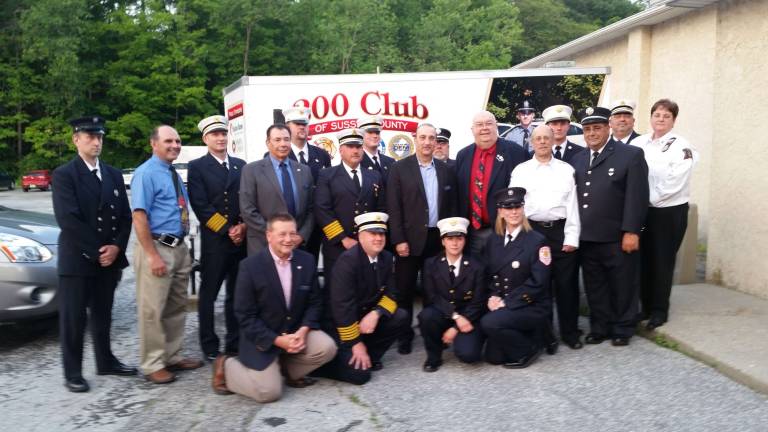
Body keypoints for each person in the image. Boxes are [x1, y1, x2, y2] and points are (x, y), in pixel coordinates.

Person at [211, 214, 337, 402]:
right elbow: (244, 316)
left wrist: (303, 331)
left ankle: (284, 369)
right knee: (269, 393)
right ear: (269, 236)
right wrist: (277, 340)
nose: (288, 239)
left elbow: (315, 303)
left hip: (294, 332)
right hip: (262, 338)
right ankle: (226, 366)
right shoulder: (250, 267)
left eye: (292, 234)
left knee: (327, 348)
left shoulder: (307, 261)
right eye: (282, 234)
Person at [52, 116, 136, 392]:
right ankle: (73, 372)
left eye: (99, 137)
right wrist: (97, 251)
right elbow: (69, 219)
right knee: (74, 319)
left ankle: (106, 361)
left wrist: (116, 247)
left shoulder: (112, 173)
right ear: (76, 140)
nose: (96, 141)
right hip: (78, 260)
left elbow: (125, 216)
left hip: (108, 259)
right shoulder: (65, 174)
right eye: (90, 137)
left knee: (103, 315)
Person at [571, 107, 649, 346]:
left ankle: (623, 328)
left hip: (617, 236)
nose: (592, 133)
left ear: (608, 128)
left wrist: (632, 231)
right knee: (595, 286)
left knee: (623, 285)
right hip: (588, 237)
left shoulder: (630, 155)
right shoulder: (578, 159)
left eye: (597, 128)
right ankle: (600, 326)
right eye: (587, 129)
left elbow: (637, 197)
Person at [131, 125, 203, 384]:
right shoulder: (146, 173)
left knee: (175, 307)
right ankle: (152, 363)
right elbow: (139, 216)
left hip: (178, 247)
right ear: (154, 143)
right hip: (157, 247)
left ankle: (172, 356)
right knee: (153, 310)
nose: (175, 145)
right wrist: (152, 256)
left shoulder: (171, 173)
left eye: (178, 141)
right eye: (168, 141)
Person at [313, 212, 409, 385]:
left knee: (400, 316)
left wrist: (376, 313)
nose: (378, 238)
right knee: (360, 376)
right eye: (373, 234)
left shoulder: (386, 258)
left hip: (365, 319)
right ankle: (320, 367)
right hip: (340, 326)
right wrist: (356, 343)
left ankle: (370, 356)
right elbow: (342, 308)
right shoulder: (347, 263)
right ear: (360, 236)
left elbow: (392, 293)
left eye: (381, 234)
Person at [387, 123, 458, 355]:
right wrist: (398, 239)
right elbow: (394, 207)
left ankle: (431, 334)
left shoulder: (446, 169)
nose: (427, 142)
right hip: (408, 240)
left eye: (432, 138)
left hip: (437, 240)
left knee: (433, 291)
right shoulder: (399, 169)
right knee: (405, 291)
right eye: (423, 137)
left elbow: (451, 206)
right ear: (414, 139)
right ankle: (404, 336)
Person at [509, 125, 583, 349]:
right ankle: (546, 335)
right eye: (537, 138)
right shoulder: (521, 171)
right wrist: (517, 237)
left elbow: (573, 207)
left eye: (546, 138)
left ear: (553, 141)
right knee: (539, 287)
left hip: (559, 232)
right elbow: (514, 207)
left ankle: (570, 333)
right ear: (531, 142)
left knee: (566, 285)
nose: (542, 142)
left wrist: (571, 237)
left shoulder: (566, 170)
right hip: (532, 232)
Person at [632, 99, 698, 330]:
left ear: (674, 120)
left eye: (666, 116)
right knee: (644, 260)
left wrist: (645, 199)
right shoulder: (639, 143)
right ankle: (646, 307)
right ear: (650, 118)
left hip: (668, 212)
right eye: (657, 115)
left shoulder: (682, 146)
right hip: (643, 211)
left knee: (662, 261)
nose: (660, 119)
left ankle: (660, 311)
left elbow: (675, 182)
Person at [187, 115, 247, 362]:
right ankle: (210, 346)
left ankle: (234, 342)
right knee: (209, 296)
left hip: (240, 241)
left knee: (237, 294)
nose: (220, 138)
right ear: (205, 139)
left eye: (223, 134)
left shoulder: (241, 165)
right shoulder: (197, 166)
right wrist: (227, 230)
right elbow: (200, 205)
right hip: (215, 242)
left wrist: (242, 226)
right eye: (215, 135)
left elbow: (247, 198)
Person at [480, 187, 554, 369]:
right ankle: (534, 335)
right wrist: (493, 296)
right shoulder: (493, 240)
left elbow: (539, 283)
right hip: (506, 303)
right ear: (500, 211)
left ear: (523, 209)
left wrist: (507, 302)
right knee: (493, 357)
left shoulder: (537, 241)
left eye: (517, 207)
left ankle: (529, 349)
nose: (513, 212)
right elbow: (490, 274)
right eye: (508, 207)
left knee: (489, 322)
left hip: (531, 305)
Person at [314, 129, 386, 284]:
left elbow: (381, 208)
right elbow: (322, 209)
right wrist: (343, 239)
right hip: (337, 247)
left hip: (367, 246)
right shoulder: (327, 175)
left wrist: (371, 238)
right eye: (350, 146)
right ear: (341, 150)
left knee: (366, 289)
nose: (355, 150)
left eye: (359, 146)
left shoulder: (374, 176)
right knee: (336, 291)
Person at [418, 217, 486, 372]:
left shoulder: (477, 266)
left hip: (469, 316)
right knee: (426, 316)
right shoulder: (431, 264)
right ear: (443, 241)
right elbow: (432, 296)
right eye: (450, 239)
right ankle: (433, 356)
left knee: (469, 355)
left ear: (465, 240)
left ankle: (468, 339)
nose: (454, 243)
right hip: (443, 312)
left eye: (459, 238)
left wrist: (456, 327)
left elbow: (478, 302)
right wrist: (455, 317)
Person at [456, 110, 527, 258]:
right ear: (472, 130)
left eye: (489, 123)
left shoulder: (515, 152)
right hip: (471, 233)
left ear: (496, 127)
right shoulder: (463, 155)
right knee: (475, 277)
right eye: (479, 125)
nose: (484, 128)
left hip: (503, 230)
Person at [240, 124, 314, 256]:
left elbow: (311, 208)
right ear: (268, 143)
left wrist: (301, 235)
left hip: (297, 246)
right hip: (263, 244)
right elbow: (247, 209)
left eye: (286, 139)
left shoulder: (304, 170)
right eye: (277, 140)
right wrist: (275, 235)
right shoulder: (251, 170)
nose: (283, 144)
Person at [283, 106, 332, 262]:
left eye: (304, 123)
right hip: (289, 224)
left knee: (310, 266)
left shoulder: (322, 155)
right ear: (287, 126)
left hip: (316, 225)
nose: (302, 127)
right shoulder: (280, 154)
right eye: (297, 123)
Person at [358, 115, 395, 182]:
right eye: (370, 132)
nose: (375, 136)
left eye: (377, 132)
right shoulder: (356, 162)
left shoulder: (390, 162)